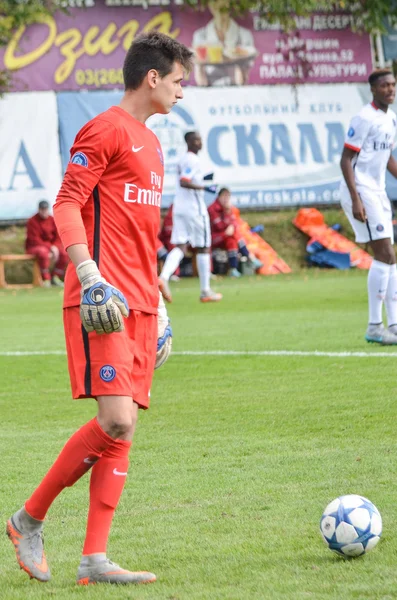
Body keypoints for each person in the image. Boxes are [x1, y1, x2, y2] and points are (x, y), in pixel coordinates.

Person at [6, 31, 193, 586]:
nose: (184, 92)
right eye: (180, 80)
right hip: (101, 301)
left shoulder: (154, 143)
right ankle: (26, 519)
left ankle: (95, 559)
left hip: (139, 302)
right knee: (116, 419)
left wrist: (158, 301)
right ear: (152, 77)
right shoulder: (104, 128)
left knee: (124, 432)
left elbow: (142, 231)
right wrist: (88, 276)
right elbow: (66, 204)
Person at [340, 69, 397, 345]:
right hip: (361, 190)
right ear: (373, 89)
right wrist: (355, 197)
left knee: (392, 257)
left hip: (378, 190)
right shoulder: (363, 118)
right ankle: (375, 325)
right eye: (384, 85)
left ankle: (394, 324)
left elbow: (387, 158)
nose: (390, 89)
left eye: (393, 84)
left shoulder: (391, 118)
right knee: (384, 252)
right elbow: (345, 159)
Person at [159, 131, 222, 303]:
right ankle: (205, 291)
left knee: (181, 246)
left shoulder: (183, 159)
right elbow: (184, 180)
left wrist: (203, 180)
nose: (199, 142)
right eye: (196, 140)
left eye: (200, 139)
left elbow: (188, 178)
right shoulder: (192, 159)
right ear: (189, 142)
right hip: (194, 209)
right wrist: (204, 188)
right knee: (203, 247)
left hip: (179, 207)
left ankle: (163, 277)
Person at [192, 0, 257, 86]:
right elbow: (200, 80)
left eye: (224, 6)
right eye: (216, 4)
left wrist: (238, 57)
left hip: (237, 88)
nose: (220, 9)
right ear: (210, 6)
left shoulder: (244, 35)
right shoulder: (200, 35)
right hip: (209, 90)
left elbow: (242, 79)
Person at [208, 187, 263, 277]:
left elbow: (235, 223)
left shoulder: (229, 209)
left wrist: (230, 224)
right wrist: (227, 213)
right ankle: (249, 257)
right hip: (213, 238)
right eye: (224, 196)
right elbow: (219, 226)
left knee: (232, 240)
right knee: (233, 234)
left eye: (228, 197)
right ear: (219, 197)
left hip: (226, 237)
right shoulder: (213, 209)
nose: (226, 199)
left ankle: (233, 269)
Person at [25, 199, 68, 287]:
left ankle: (55, 277)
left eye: (45, 209)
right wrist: (50, 247)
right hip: (34, 247)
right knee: (43, 253)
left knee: (64, 252)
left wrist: (55, 247)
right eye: (42, 209)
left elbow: (58, 237)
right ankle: (46, 279)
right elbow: (34, 239)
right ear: (39, 209)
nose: (44, 211)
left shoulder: (52, 220)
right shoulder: (32, 221)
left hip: (51, 247)